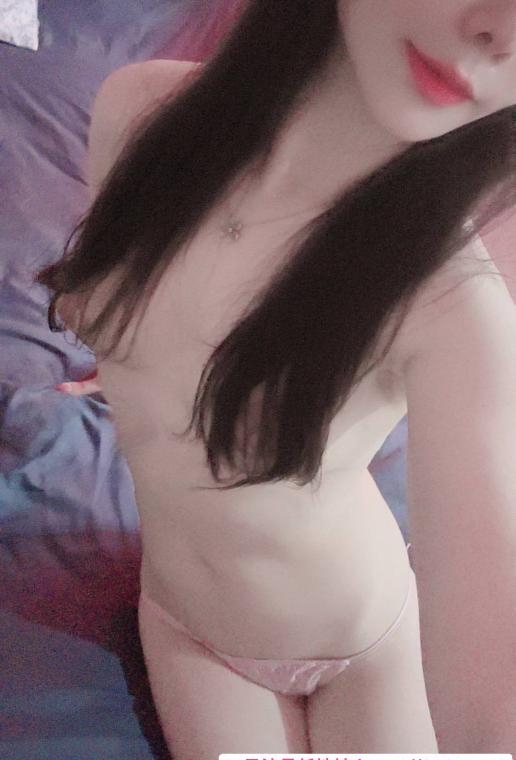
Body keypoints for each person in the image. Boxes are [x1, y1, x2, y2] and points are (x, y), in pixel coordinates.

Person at [38, 0, 516, 755]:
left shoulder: (457, 308)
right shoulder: (136, 115)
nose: (503, 28)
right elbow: (136, 293)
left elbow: (490, 701)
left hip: (364, 641)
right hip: (189, 628)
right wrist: (131, 365)